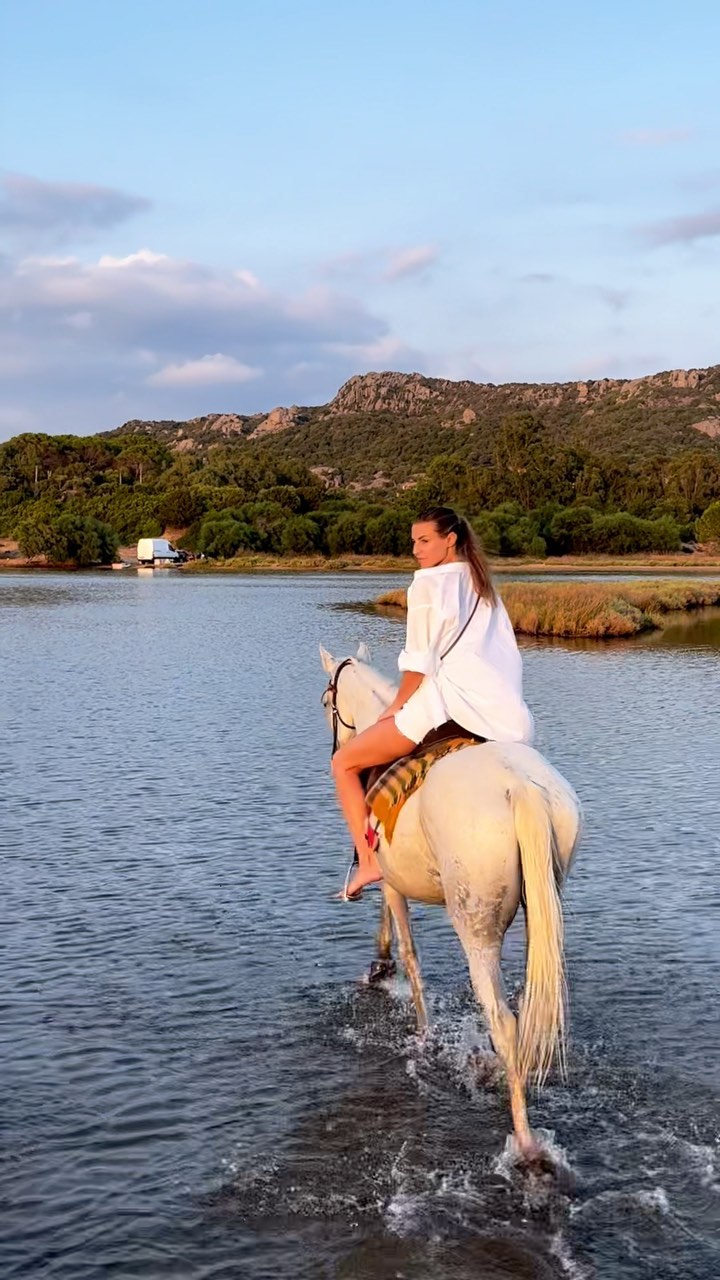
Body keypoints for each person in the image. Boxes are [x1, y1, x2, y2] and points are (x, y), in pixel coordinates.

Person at [331, 505, 534, 901]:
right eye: (413, 542)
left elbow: (419, 664)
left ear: (450, 539)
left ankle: (369, 862)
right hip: (505, 715)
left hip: (449, 709)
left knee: (344, 762)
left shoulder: (426, 584)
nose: (416, 550)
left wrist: (395, 707)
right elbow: (507, 656)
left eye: (424, 541)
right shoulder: (481, 583)